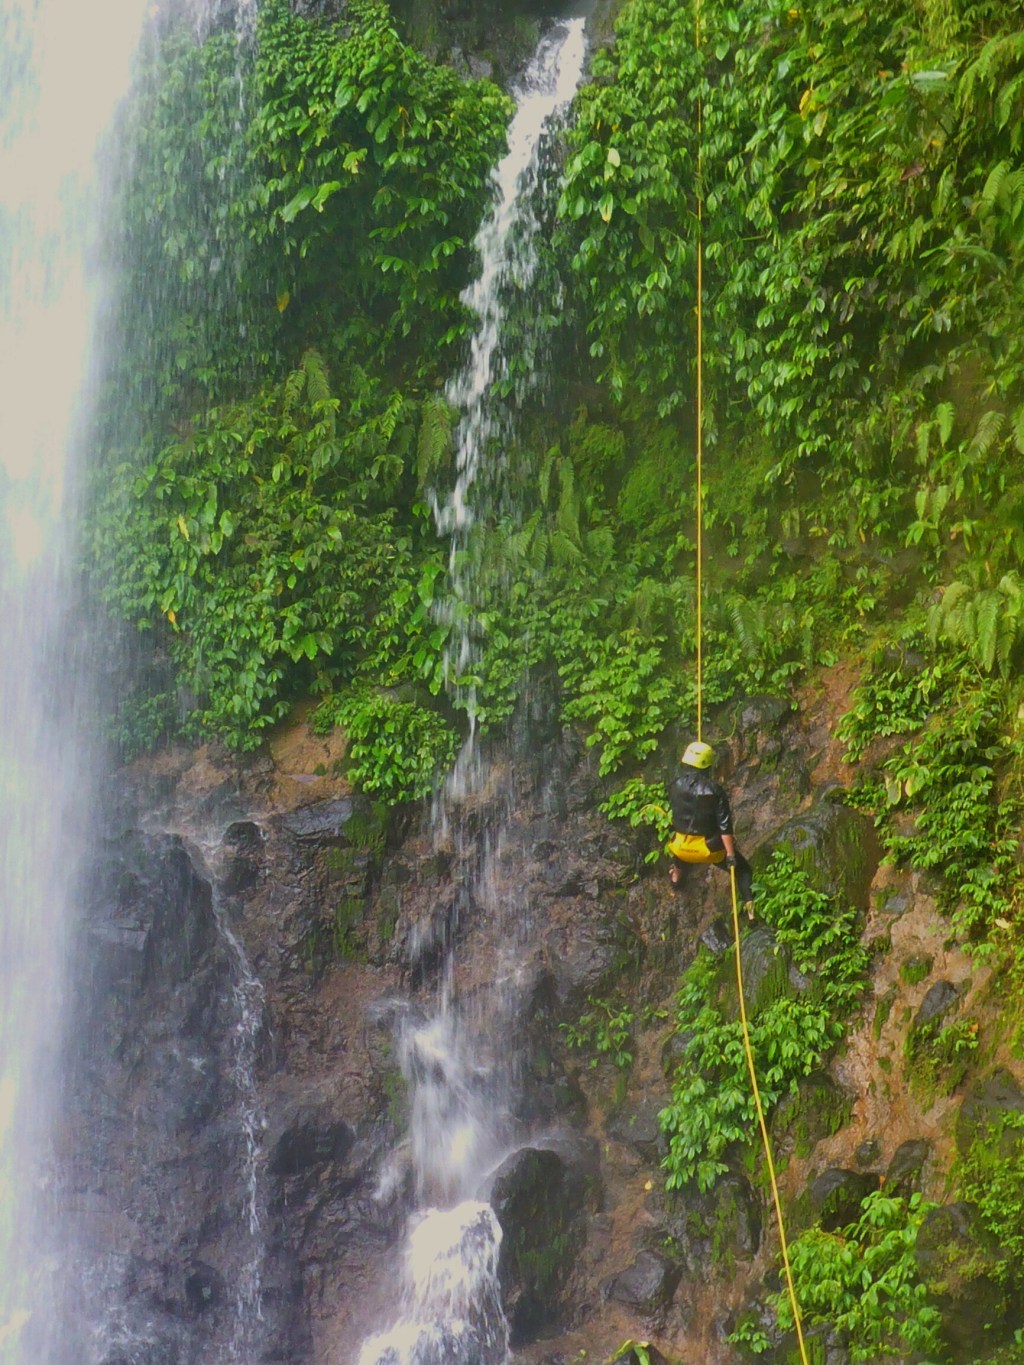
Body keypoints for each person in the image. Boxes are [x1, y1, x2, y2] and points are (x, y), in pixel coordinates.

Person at [666, 740, 755, 916]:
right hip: (708, 848)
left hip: (680, 846)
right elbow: (725, 827)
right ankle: (750, 909)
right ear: (708, 765)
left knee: (682, 838)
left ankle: (676, 877)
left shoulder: (674, 785)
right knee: (743, 870)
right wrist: (730, 855)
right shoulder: (715, 791)